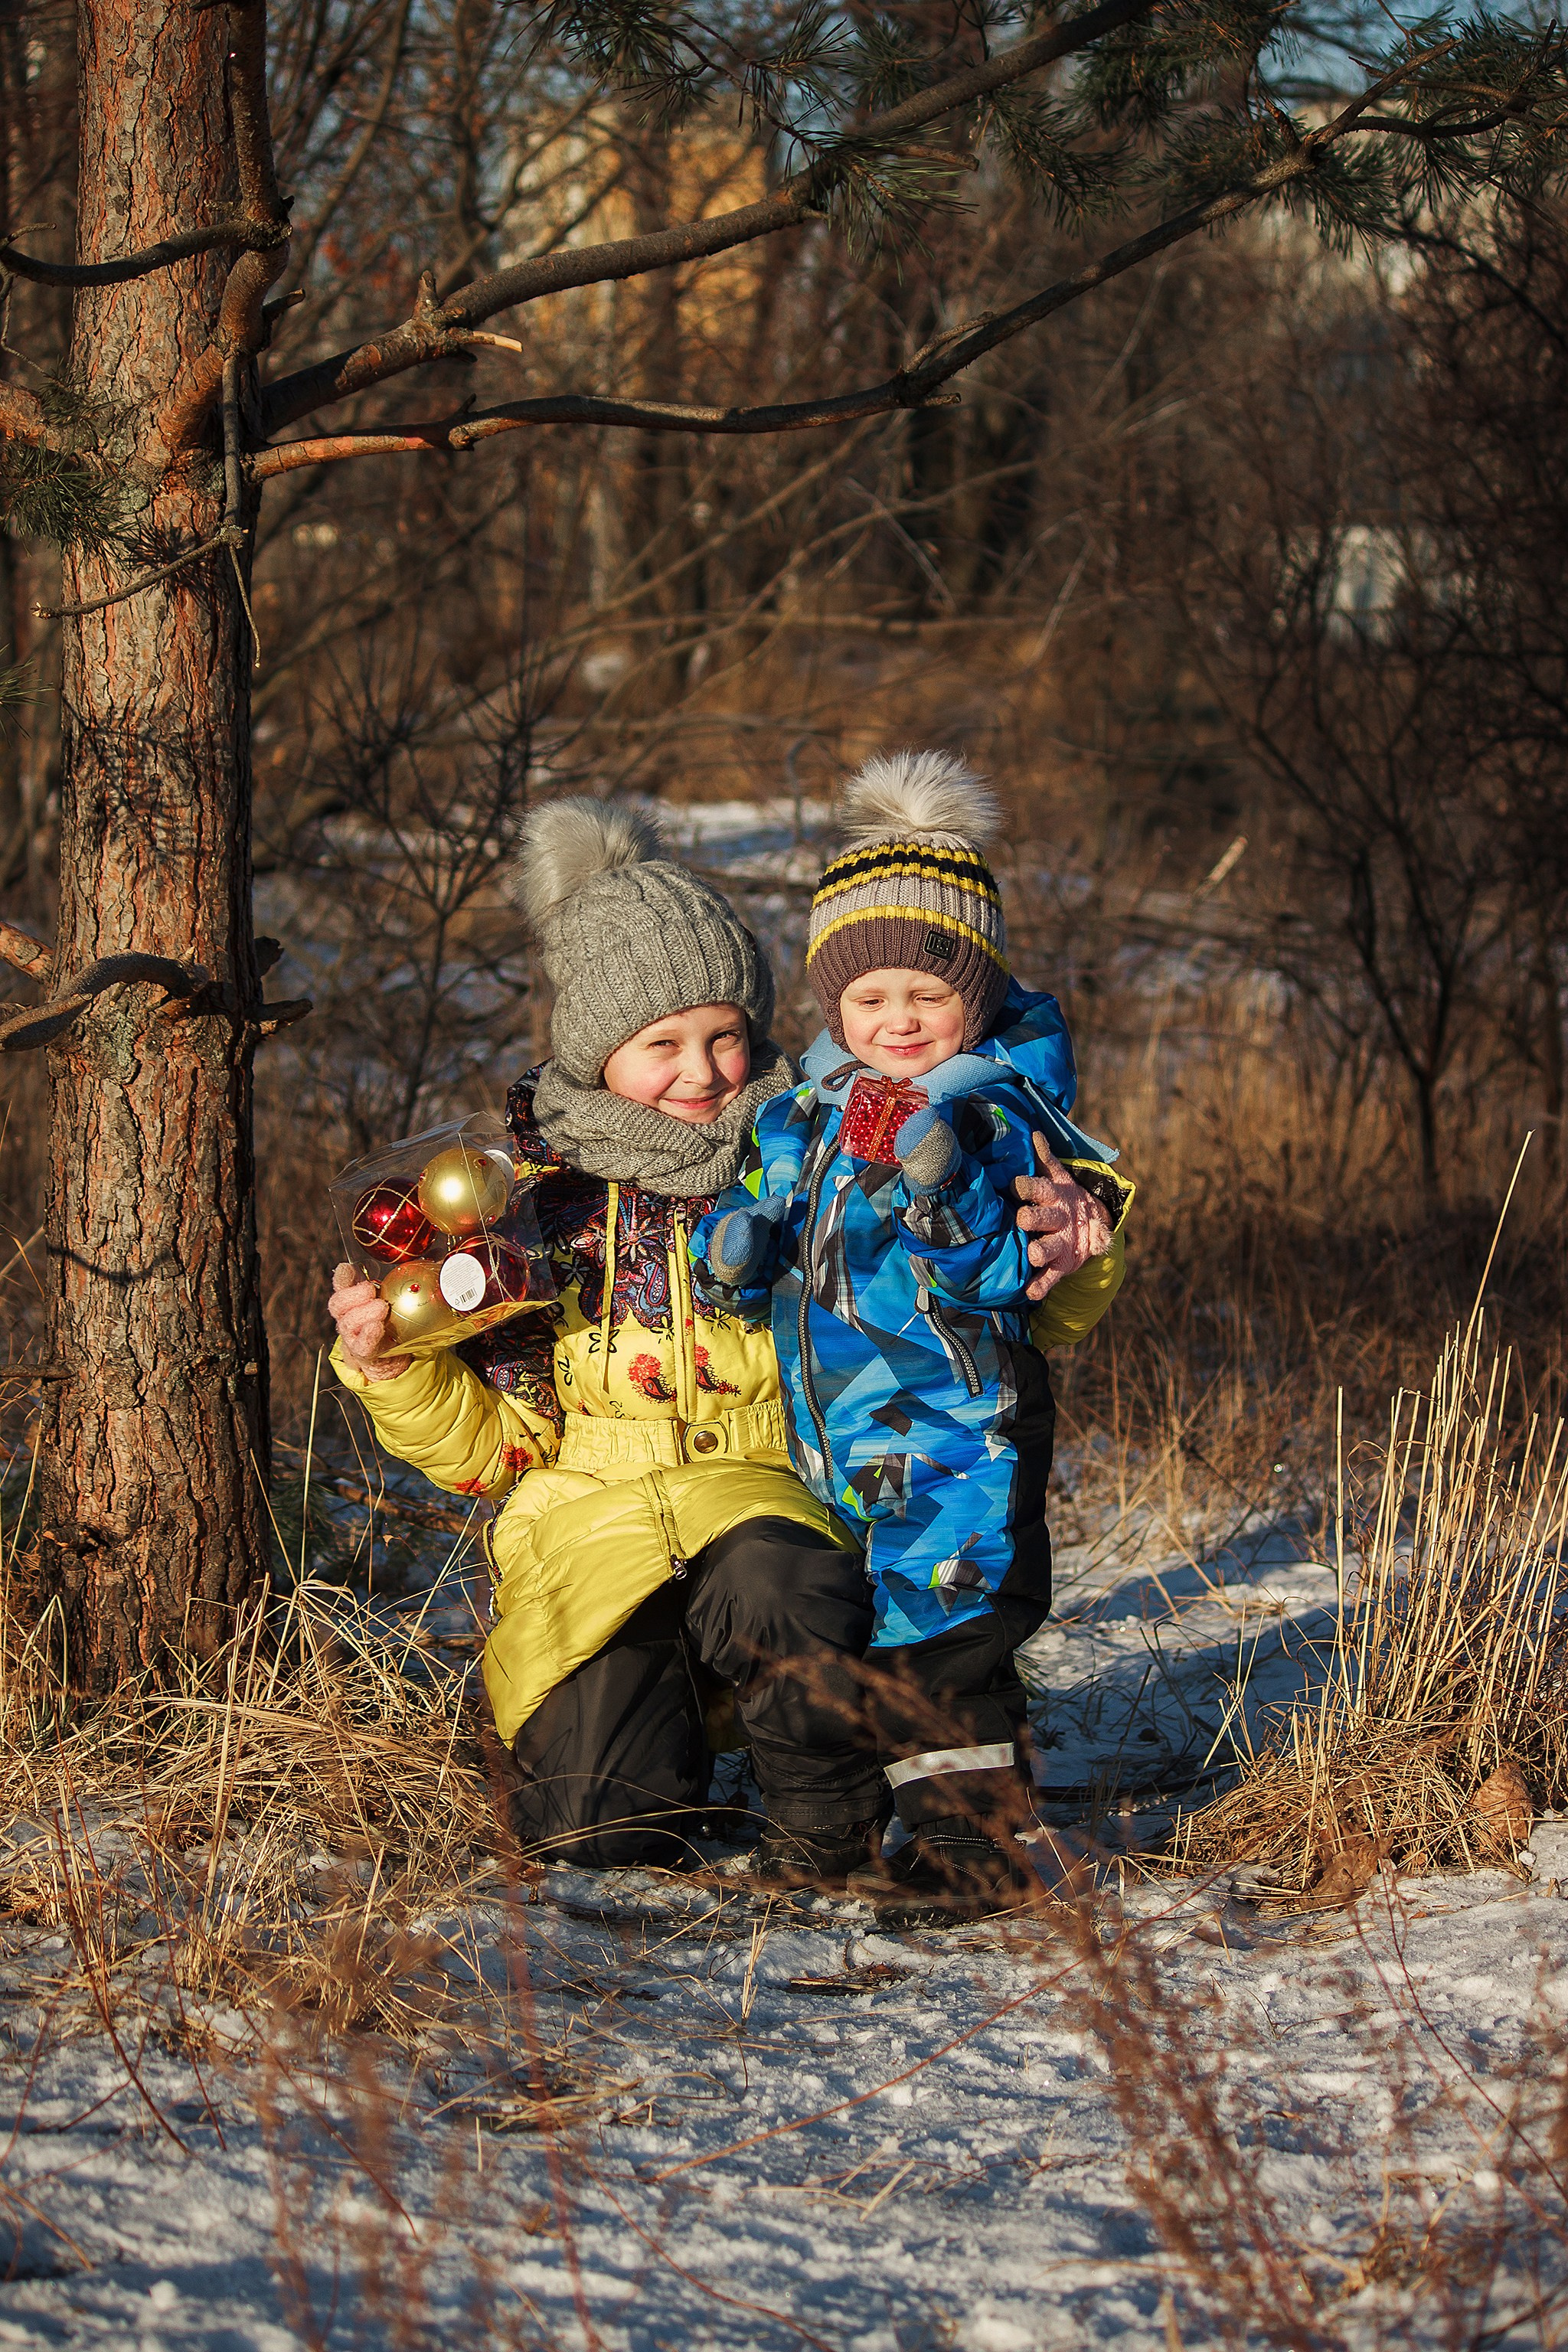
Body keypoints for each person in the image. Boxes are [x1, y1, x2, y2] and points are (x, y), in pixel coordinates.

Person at [693, 750, 1134, 1922]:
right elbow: (766, 1216)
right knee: (844, 1625)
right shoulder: (808, 1109)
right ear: (834, 1003)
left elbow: (1006, 1278)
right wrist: (734, 1249)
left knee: (943, 1640)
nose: (898, 1022)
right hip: (832, 1437)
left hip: (957, 1429)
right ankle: (825, 1832)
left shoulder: (992, 1116)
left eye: (927, 999)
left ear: (978, 999)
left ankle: (969, 1855)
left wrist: (941, 1197)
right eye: (870, 999)